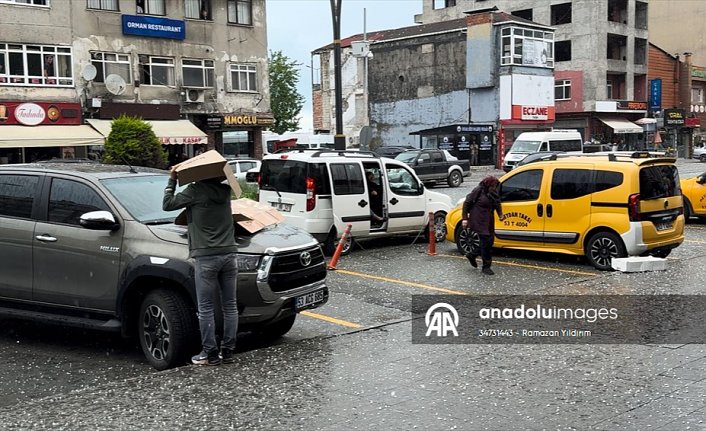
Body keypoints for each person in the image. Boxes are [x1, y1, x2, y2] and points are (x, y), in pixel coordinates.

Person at [163, 169, 239, 366]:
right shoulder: (225, 191)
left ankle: (210, 353)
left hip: (206, 256)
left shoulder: (194, 191)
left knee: (205, 307)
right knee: (230, 305)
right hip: (229, 255)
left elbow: (167, 205)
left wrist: (172, 181)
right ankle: (228, 351)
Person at [462, 176, 503, 275]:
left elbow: (497, 203)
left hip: (488, 220)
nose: (494, 188)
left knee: (489, 241)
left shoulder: (493, 192)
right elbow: (467, 203)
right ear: (488, 185)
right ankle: (486, 267)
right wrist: (464, 218)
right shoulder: (478, 191)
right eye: (493, 186)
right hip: (479, 219)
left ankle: (472, 255)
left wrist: (500, 214)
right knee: (486, 242)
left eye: (495, 186)